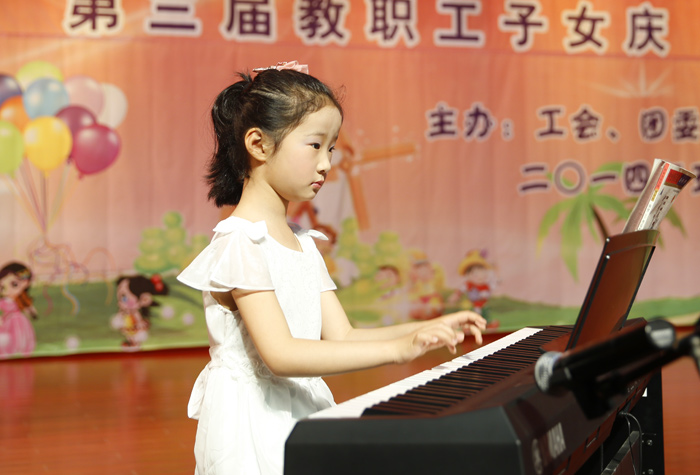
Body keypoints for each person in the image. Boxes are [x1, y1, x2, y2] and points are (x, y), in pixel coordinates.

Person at [177, 61, 487, 475]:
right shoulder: (240, 243)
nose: (326, 164)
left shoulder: (303, 243)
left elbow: (343, 335)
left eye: (332, 148)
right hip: (253, 424)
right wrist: (399, 350)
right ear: (258, 144)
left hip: (300, 408)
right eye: (315, 145)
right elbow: (281, 354)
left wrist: (426, 329)